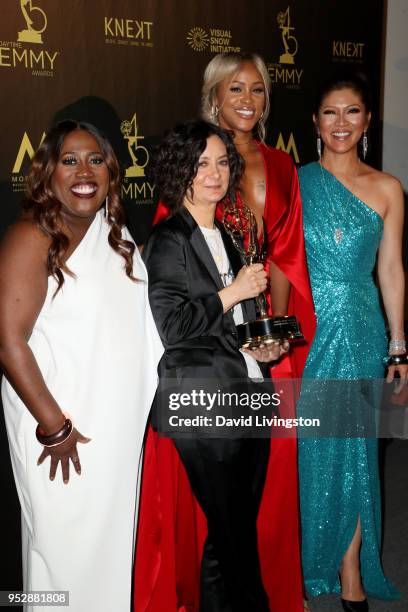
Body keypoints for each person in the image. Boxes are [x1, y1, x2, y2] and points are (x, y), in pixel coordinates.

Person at [138, 52, 315, 611]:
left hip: (251, 375)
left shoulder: (242, 220)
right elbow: (176, 319)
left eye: (259, 90)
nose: (214, 174)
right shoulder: (174, 231)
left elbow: (278, 263)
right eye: (203, 166)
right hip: (204, 390)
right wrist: (235, 295)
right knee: (231, 528)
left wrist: (267, 337)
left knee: (239, 524)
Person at [0, 120, 162, 612]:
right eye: (69, 161)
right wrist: (54, 427)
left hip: (114, 436)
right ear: (48, 173)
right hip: (61, 433)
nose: (83, 172)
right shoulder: (32, 237)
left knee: (108, 553)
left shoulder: (119, 239)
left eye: (94, 160)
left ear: (112, 173)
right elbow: (8, 341)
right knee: (62, 554)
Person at [297, 70, 407, 611]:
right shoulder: (294, 183)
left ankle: (351, 576)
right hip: (309, 332)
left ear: (366, 121)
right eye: (331, 112)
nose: (342, 123)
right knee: (316, 447)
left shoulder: (388, 188)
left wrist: (399, 344)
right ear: (315, 122)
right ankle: (310, 558)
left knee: (359, 451)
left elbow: (391, 271)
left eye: (353, 112)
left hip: (363, 331)